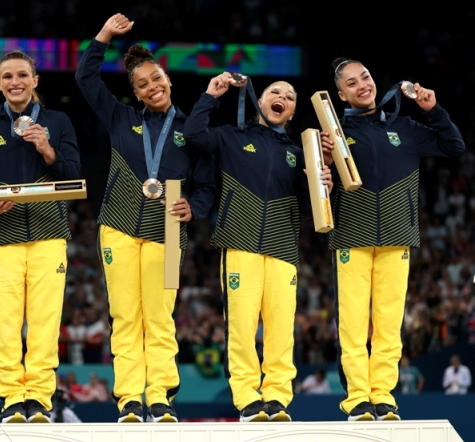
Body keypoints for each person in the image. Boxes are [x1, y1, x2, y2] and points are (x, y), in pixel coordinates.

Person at [75, 14, 214, 423]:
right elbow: (86, 79)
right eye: (142, 85)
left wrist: (196, 207)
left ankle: (161, 396)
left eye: (157, 79)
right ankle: (130, 399)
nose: (152, 87)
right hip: (117, 226)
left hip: (168, 228)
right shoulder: (122, 120)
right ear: (135, 94)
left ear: (168, 81)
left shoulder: (192, 129)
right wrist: (102, 36)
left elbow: (206, 185)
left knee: (159, 315)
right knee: (125, 316)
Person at [321, 58, 465, 421]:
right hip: (351, 238)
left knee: (388, 325)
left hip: (397, 239)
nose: (362, 85)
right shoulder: (332, 134)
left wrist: (432, 110)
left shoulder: (406, 127)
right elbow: (316, 189)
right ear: (341, 94)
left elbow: (454, 147)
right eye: (351, 83)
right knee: (353, 325)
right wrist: (322, 165)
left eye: (365, 77)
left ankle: (383, 396)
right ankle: (357, 399)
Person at [184, 72, 333, 422]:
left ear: (293, 112)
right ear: (260, 102)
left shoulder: (299, 155)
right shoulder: (231, 137)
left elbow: (317, 208)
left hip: (283, 249)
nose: (283, 96)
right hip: (240, 243)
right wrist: (211, 94)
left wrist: (324, 179)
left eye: (290, 96)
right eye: (275, 92)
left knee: (282, 329)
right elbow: (193, 134)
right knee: (242, 327)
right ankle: (248, 398)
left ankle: (278, 397)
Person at [0, 50, 80, 423]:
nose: (15, 82)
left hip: (49, 234)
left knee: (45, 322)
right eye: (7, 76)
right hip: (3, 235)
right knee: (4, 323)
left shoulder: (58, 121)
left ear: (35, 80)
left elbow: (72, 175)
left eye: (22, 75)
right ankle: (12, 398)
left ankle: (40, 399)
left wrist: (46, 148)